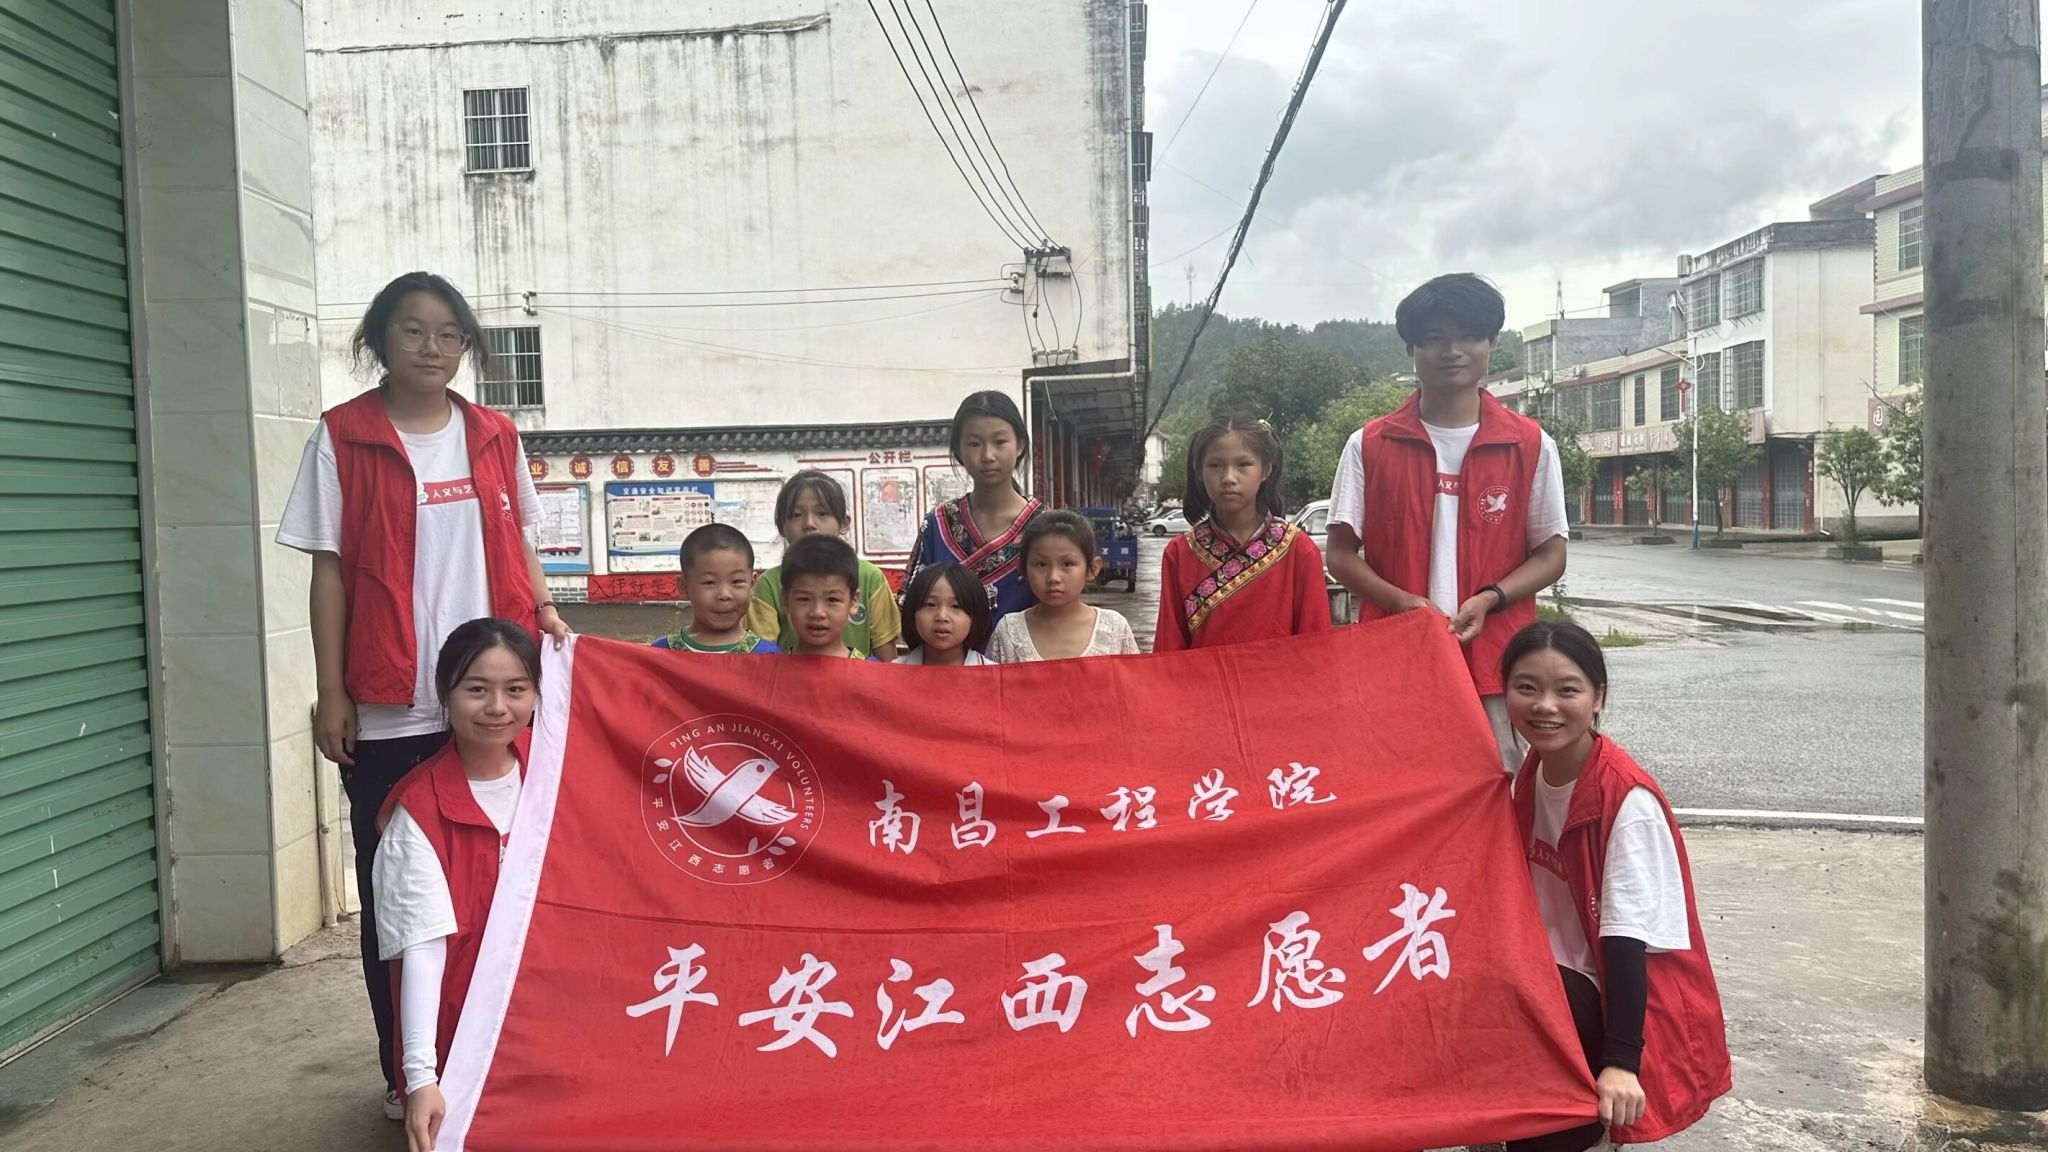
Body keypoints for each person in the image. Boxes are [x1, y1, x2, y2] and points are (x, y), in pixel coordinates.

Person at [275, 271, 568, 1121]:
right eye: (412, 331)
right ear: (380, 340)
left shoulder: (494, 435)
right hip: (391, 704)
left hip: (495, 695)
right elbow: (330, 573)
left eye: (448, 334)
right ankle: (410, 1075)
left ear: (465, 346)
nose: (432, 348)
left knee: (509, 885)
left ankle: (503, 1057)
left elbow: (523, 543)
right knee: (399, 905)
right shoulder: (344, 437)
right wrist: (333, 691)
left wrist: (547, 614)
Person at [1500, 621, 1731, 1152]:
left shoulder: (1626, 800)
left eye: (1567, 690)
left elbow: (1626, 941)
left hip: (1605, 993)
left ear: (1598, 697)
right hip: (1545, 975)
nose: (1545, 706)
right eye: (1527, 687)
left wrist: (1621, 1063)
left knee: (1548, 1124)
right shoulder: (1533, 771)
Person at [1324, 273, 1567, 773]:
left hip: (1498, 661)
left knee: (1498, 787)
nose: (1452, 351)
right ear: (1411, 349)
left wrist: (1490, 598)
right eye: (1434, 338)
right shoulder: (1369, 444)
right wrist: (1405, 605)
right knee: (1398, 787)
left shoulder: (1530, 444)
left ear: (1491, 344)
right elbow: (1341, 555)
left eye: (1469, 336)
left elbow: (1551, 554)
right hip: (1395, 657)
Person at [371, 619, 542, 1152]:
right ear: (444, 693)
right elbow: (423, 949)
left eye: (516, 689)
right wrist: (422, 1078)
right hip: (465, 1035)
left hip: (549, 1020)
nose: (498, 707)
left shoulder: (555, 773)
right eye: (477, 689)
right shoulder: (417, 814)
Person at [1153, 413, 1332, 651]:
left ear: (1266, 470)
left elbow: (1316, 647)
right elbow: (1168, 653)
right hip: (1203, 677)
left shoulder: (1298, 550)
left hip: (1280, 676)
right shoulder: (1180, 553)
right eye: (1215, 465)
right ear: (1199, 472)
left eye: (1243, 464)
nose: (1228, 478)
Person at [905, 391, 1043, 630]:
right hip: (946, 655)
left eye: (999, 442)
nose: (988, 456)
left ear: (1020, 445)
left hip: (1023, 655)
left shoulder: (1044, 528)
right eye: (974, 444)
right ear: (958, 450)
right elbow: (912, 606)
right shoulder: (938, 524)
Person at [748, 471, 902, 660]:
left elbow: (886, 656)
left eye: (822, 513)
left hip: (856, 677)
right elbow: (762, 658)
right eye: (796, 515)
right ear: (782, 526)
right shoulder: (769, 583)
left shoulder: (870, 577)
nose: (809, 524)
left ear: (844, 523)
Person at [986, 510, 1139, 662]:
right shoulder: (1009, 632)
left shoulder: (1115, 629)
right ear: (1024, 569)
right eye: (1041, 564)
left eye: (1067, 564)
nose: (1053, 578)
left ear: (1092, 568)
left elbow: (1135, 677)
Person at [653, 523, 779, 654]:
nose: (724, 594)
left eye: (736, 581)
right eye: (709, 582)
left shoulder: (767, 655)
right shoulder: (660, 653)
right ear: (683, 587)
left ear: (752, 585)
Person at [780, 534, 879, 659]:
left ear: (853, 602)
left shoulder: (870, 669)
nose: (817, 613)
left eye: (832, 599)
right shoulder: (770, 668)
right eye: (804, 599)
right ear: (785, 600)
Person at [895, 562, 997, 666]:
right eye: (930, 604)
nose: (942, 616)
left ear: (975, 616)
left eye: (955, 606)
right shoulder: (891, 672)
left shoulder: (995, 674)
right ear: (912, 612)